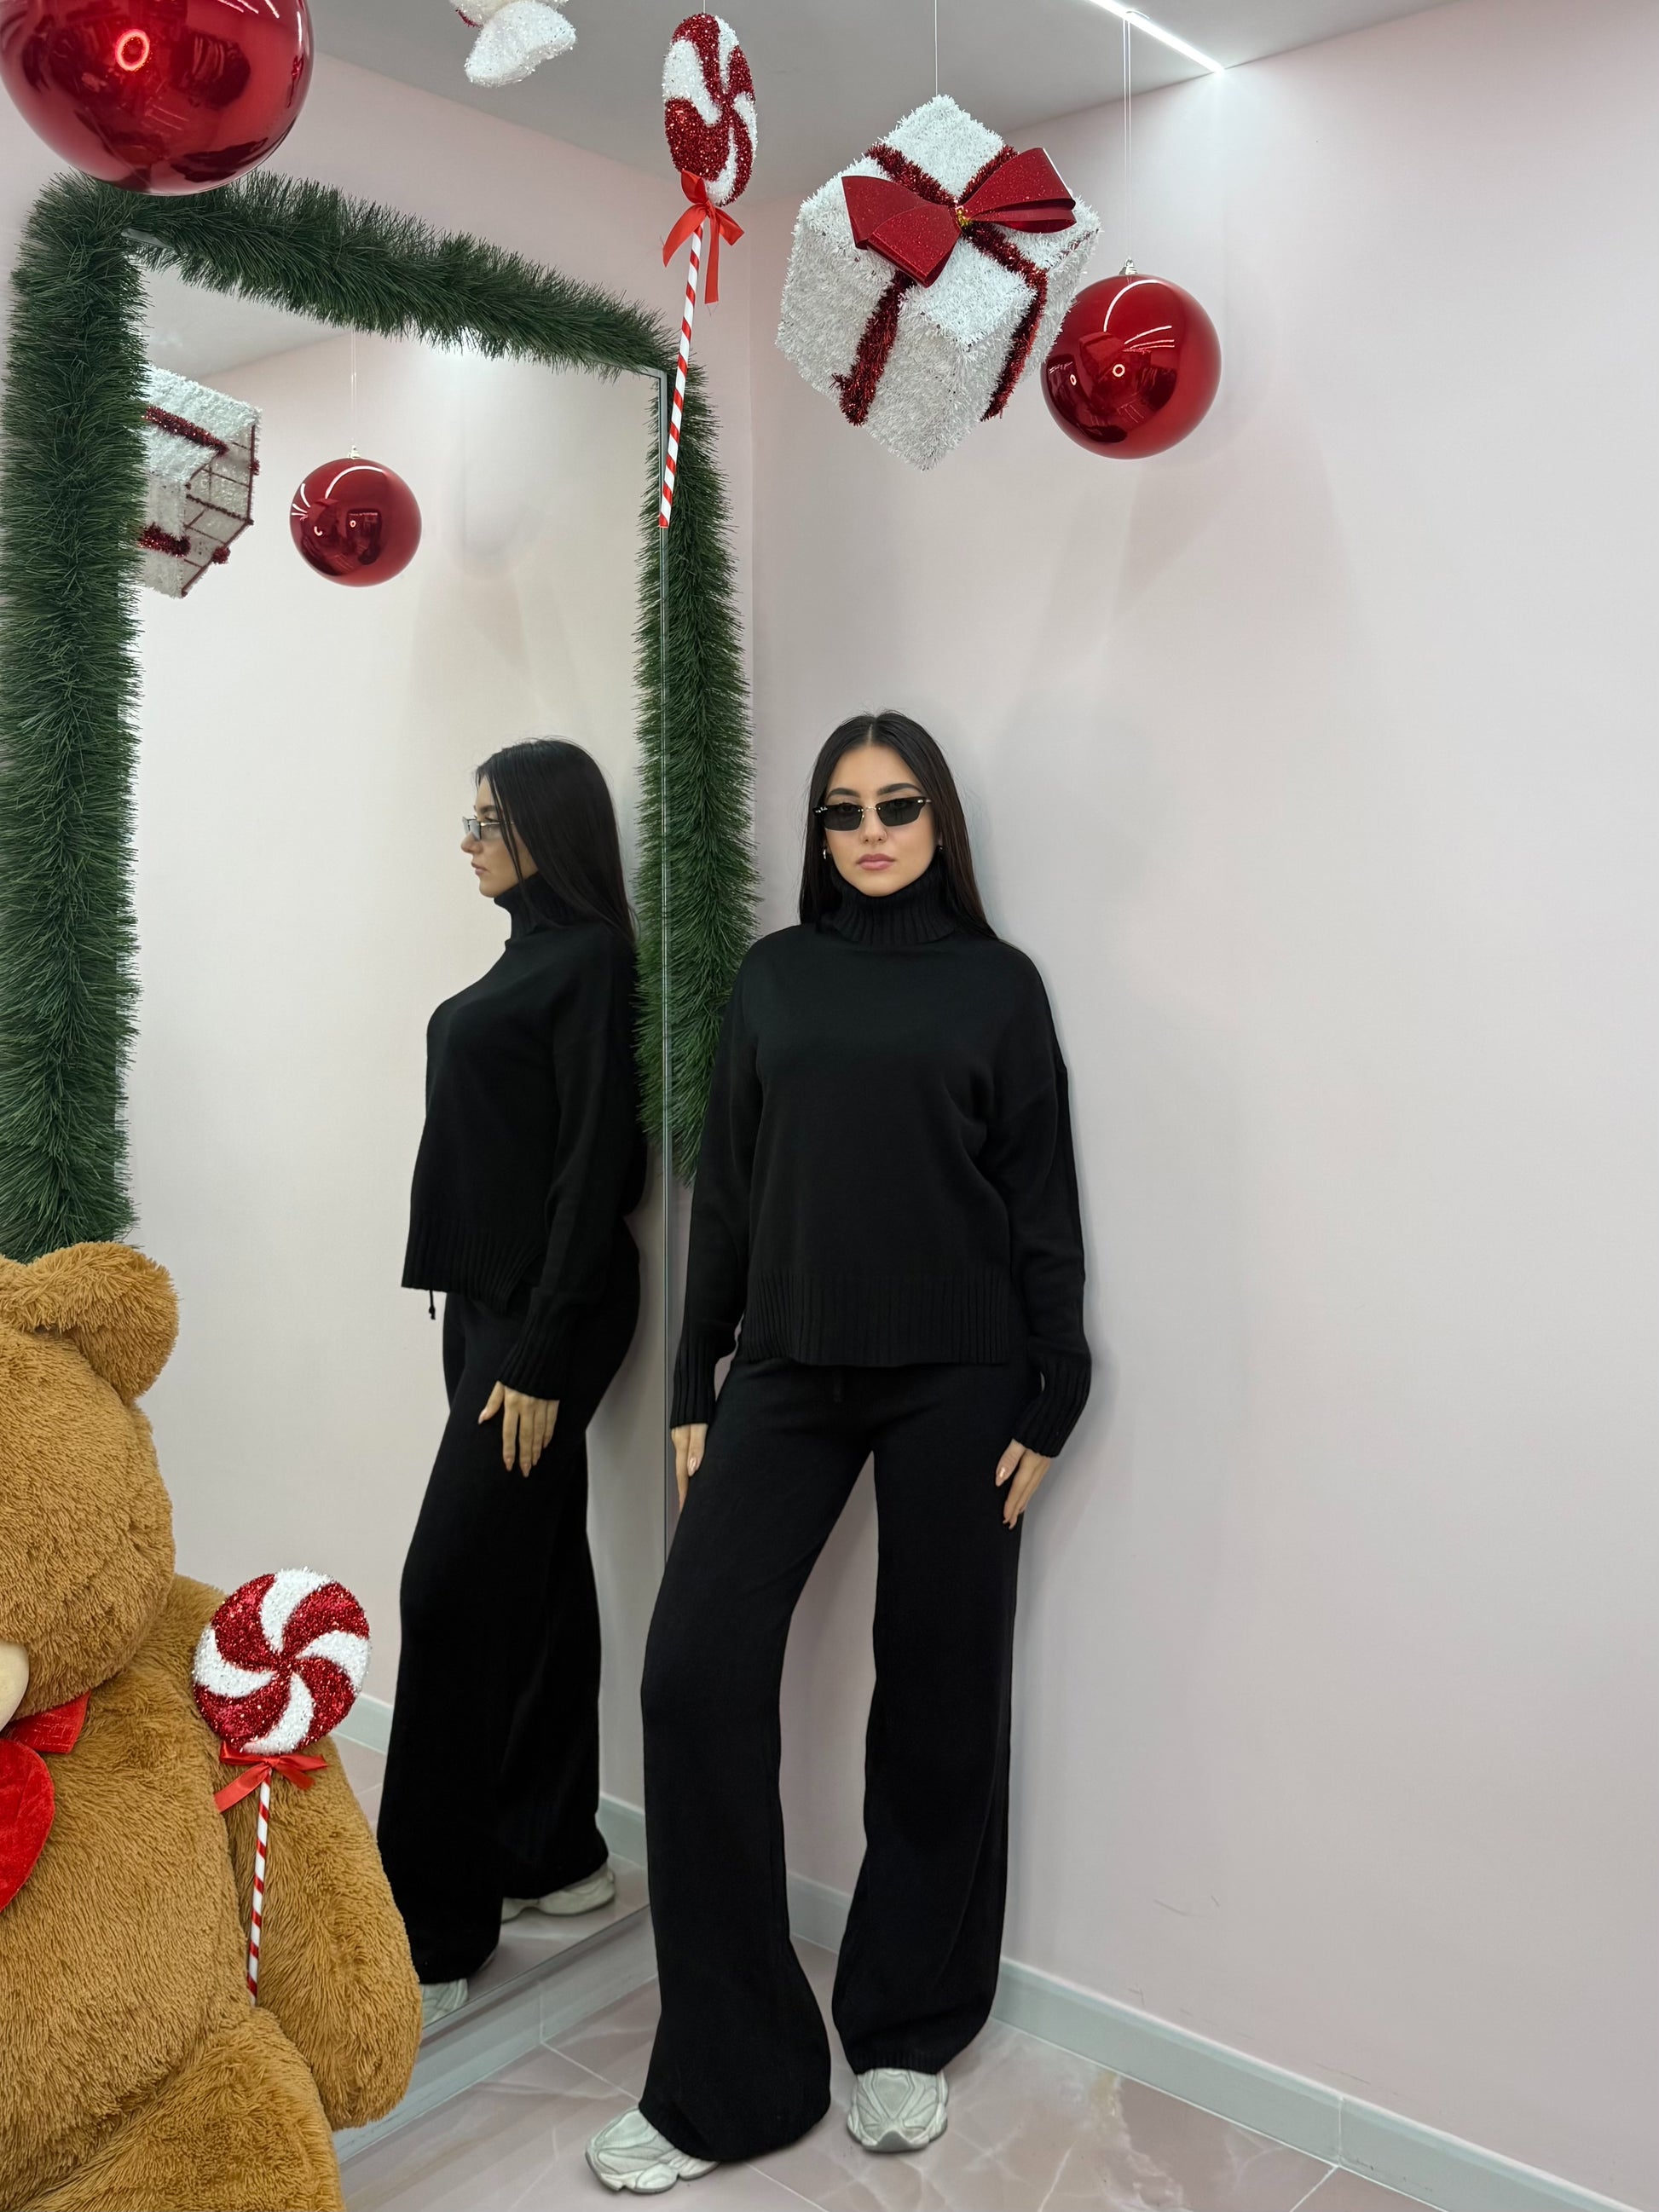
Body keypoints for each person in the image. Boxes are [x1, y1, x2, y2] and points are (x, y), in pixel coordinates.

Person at [587, 711, 1090, 2193]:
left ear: (939, 823)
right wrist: (695, 1376)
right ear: (817, 833)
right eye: (843, 811)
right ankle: (731, 2074)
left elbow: (1039, 1197)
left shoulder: (999, 987)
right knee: (691, 1679)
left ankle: (904, 2026)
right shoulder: (774, 977)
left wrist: (1055, 1389)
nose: (870, 832)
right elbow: (729, 1191)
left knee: (937, 1699)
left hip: (964, 1382)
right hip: (788, 1370)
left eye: (897, 806)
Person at [379, 737, 645, 2029]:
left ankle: (427, 1935)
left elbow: (599, 1165)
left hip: (550, 1313)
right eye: (469, 819)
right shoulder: (522, 958)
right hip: (491, 1304)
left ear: (546, 827)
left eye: (487, 820)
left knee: (444, 1589)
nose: (469, 840)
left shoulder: (589, 959)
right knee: (533, 1571)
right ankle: (553, 1851)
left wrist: (540, 1350)